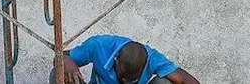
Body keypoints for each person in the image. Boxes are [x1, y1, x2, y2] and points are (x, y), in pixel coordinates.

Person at [53, 34, 200, 84]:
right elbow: (61, 56)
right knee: (59, 72)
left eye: (132, 80)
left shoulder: (153, 59)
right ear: (116, 59)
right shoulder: (100, 45)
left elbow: (187, 80)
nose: (125, 82)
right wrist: (67, 62)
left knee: (164, 82)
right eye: (122, 77)